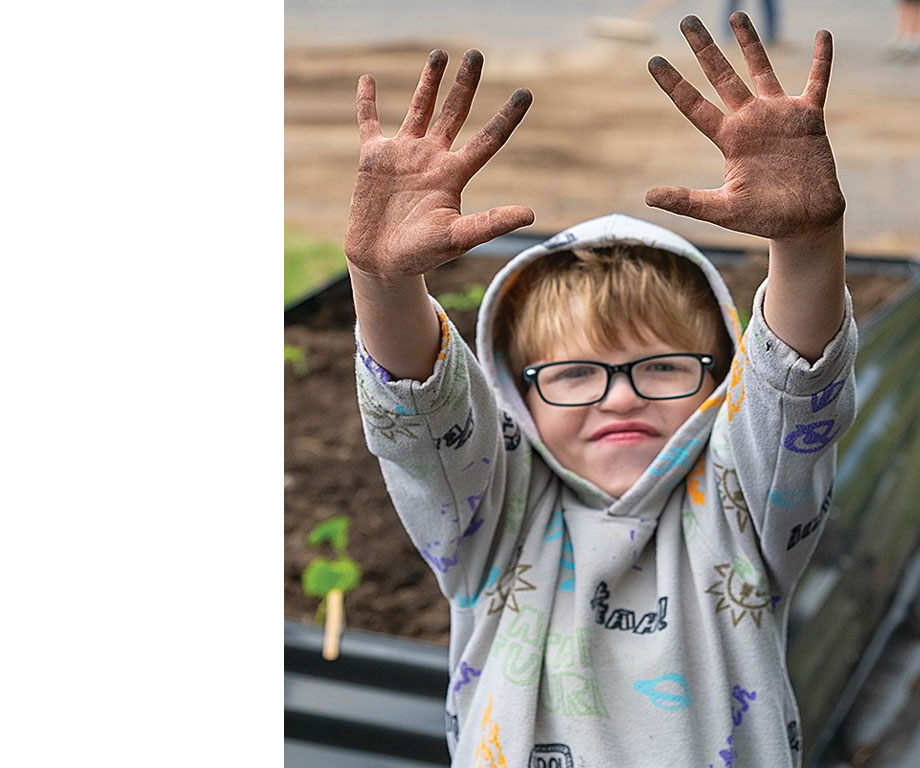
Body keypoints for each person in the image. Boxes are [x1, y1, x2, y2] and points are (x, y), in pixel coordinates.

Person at [344, 12, 857, 767]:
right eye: (574, 374)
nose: (619, 398)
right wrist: (384, 284)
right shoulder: (491, 522)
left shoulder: (741, 508)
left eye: (660, 367)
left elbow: (794, 391)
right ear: (516, 395)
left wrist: (809, 245)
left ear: (722, 380)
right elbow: (422, 416)